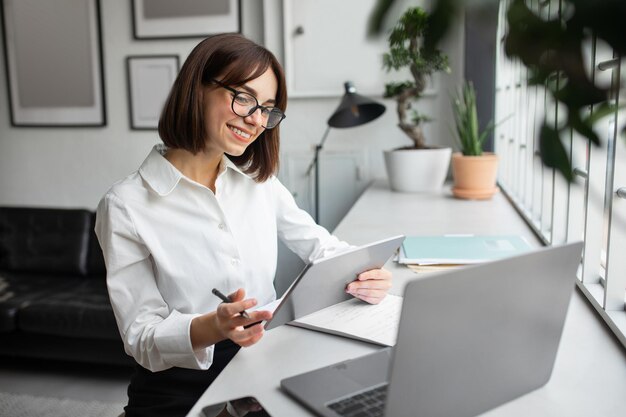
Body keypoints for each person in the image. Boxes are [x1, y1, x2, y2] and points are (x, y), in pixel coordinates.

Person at [95, 33, 392, 417]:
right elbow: (141, 337)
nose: (255, 119)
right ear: (197, 87)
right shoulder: (125, 205)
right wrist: (212, 326)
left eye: (267, 108)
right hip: (177, 389)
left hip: (260, 369)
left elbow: (321, 247)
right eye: (244, 98)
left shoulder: (259, 184)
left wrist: (366, 269)